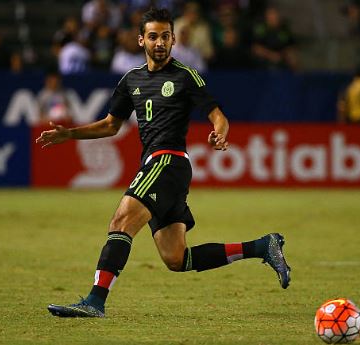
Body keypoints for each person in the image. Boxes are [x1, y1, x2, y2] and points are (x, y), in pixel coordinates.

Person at [36, 8, 291, 318]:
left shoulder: (185, 76)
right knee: (176, 258)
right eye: (153, 36)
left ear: (173, 40)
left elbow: (218, 116)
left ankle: (95, 301)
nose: (160, 42)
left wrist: (219, 134)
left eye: (166, 37)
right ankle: (262, 246)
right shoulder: (132, 79)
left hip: (167, 161)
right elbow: (110, 125)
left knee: (120, 221)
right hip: (162, 168)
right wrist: (71, 134)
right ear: (141, 39)